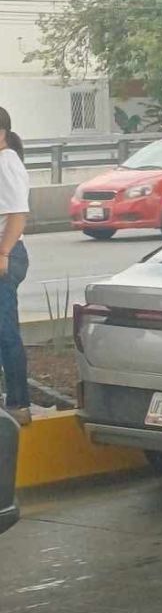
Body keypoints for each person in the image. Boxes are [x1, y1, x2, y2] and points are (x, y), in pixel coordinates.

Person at [0, 107, 30, 425]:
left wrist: (3, 254)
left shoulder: (6, 163)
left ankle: (19, 404)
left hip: (6, 255)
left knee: (5, 331)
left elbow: (18, 214)